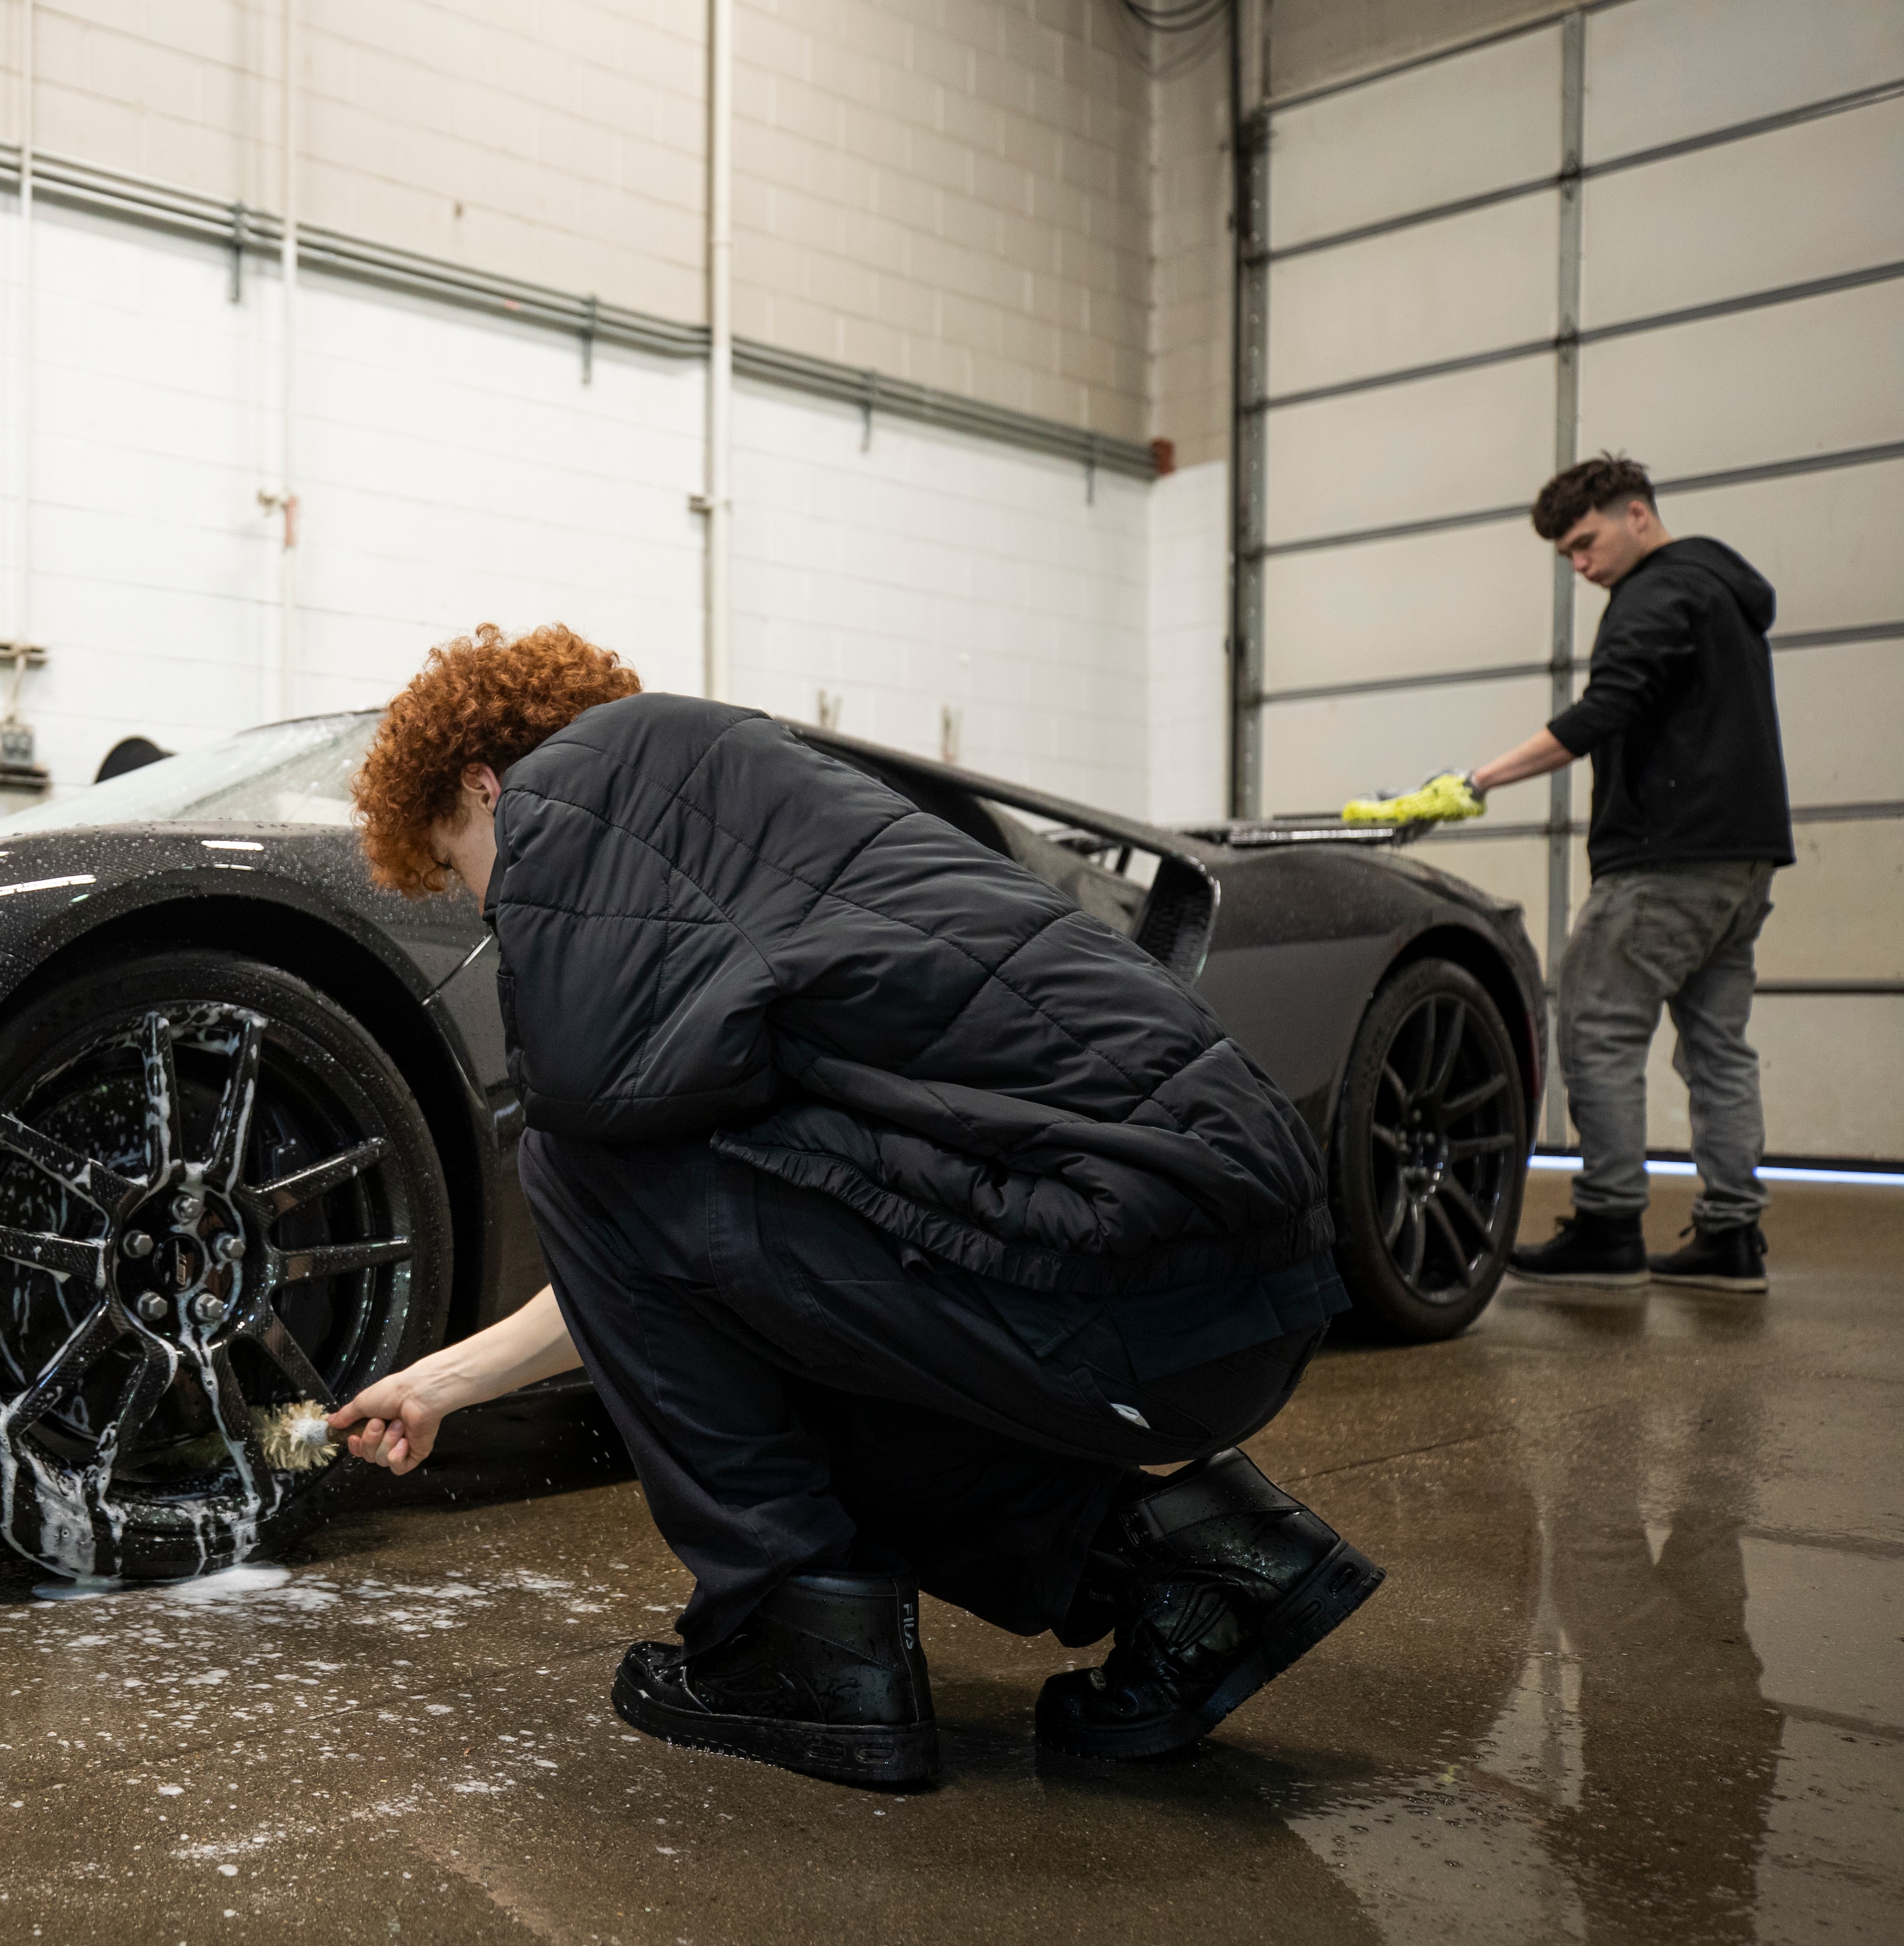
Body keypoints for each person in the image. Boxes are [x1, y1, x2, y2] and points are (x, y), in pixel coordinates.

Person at [323, 625, 1382, 1792]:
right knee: (753, 1320)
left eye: (456, 857)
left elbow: (604, 1143)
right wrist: (440, 1383)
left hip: (1115, 1277)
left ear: (482, 779)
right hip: (1218, 1292)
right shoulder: (741, 811)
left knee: (573, 1153)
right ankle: (1195, 1571)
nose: (481, 903)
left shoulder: (572, 790)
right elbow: (693, 1246)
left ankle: (802, 1642)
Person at [1463, 455, 1790, 1295]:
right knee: (1718, 1048)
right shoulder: (1722, 590)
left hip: (1664, 859)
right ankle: (1731, 1236)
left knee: (1594, 1031)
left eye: (1584, 542)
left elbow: (1603, 708)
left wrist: (1478, 780)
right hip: (1741, 861)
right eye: (1565, 556)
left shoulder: (1654, 594)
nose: (1579, 566)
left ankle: (1608, 1227)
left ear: (1635, 516)